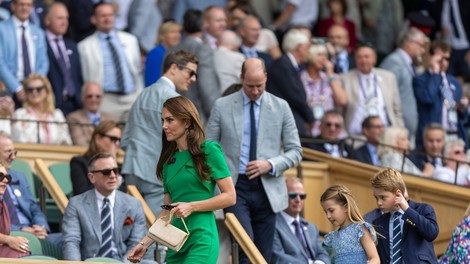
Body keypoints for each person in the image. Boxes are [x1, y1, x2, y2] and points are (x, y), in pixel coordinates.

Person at [206, 58, 302, 263]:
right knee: (244, 248)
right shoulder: (222, 105)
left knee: (263, 255)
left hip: (268, 188)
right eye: (250, 86)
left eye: (260, 85)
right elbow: (208, 147)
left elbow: (296, 151)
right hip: (234, 186)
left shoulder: (281, 106)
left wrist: (270, 164)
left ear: (266, 78)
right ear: (241, 79)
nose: (256, 91)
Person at [127, 96, 236, 264]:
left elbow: (230, 196)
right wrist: (145, 243)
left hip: (202, 238)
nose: (164, 126)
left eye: (170, 120)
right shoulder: (168, 163)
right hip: (175, 243)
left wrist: (192, 206)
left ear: (187, 122)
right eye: (163, 120)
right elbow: (165, 212)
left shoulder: (209, 150)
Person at [121, 50, 198, 217]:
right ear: (174, 68)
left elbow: (124, 139)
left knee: (134, 229)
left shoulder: (142, 94)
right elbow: (184, 141)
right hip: (157, 173)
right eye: (190, 73)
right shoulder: (173, 98)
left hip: (131, 169)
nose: (193, 79)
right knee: (157, 233)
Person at [62, 152, 152, 262]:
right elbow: (71, 241)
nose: (113, 175)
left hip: (123, 261)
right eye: (106, 172)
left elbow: (136, 243)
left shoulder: (134, 204)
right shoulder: (76, 204)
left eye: (116, 170)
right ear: (92, 177)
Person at [78, 2, 143, 122]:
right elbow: (85, 77)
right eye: (103, 16)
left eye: (110, 15)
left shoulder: (130, 40)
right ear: (94, 19)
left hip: (131, 98)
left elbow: (137, 70)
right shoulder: (84, 46)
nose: (107, 19)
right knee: (108, 138)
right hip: (106, 100)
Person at [0, 131, 60, 244]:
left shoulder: (19, 176)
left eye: (14, 152)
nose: (13, 157)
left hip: (34, 231)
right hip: (9, 235)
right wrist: (21, 230)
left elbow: (34, 208)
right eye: (8, 152)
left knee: (68, 239)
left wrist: (41, 228)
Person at [370, 168, 439, 263]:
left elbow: (431, 233)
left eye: (383, 197)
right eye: (376, 198)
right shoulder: (378, 222)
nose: (379, 203)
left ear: (398, 194)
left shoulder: (423, 210)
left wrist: (407, 210)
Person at [340, 44, 404, 137]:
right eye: (359, 57)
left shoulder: (388, 77)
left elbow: (397, 109)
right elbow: (340, 110)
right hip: (355, 137)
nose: (363, 60)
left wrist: (399, 131)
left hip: (385, 136)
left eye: (367, 57)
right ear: (355, 59)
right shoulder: (344, 79)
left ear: (374, 59)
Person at [413, 40, 468, 148]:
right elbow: (428, 98)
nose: (443, 62)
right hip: (432, 138)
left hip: (453, 135)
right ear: (430, 57)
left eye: (446, 58)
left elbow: (454, 108)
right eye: (439, 58)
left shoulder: (454, 82)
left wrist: (462, 108)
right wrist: (435, 74)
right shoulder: (420, 79)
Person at [169, 9, 220, 124]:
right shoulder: (203, 49)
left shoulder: (171, 50)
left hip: (173, 115)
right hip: (198, 116)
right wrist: (217, 116)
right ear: (204, 25)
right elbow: (207, 87)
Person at [380, 28, 426, 142]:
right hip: (396, 130)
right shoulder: (394, 62)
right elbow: (386, 96)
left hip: (405, 130)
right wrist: (395, 124)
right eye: (420, 45)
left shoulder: (408, 63)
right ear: (410, 43)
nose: (423, 50)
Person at [272, 178, 331, 264]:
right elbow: (277, 257)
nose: (298, 200)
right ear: (282, 196)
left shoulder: (312, 228)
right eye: (293, 195)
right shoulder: (273, 225)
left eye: (302, 196)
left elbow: (322, 254)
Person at [267, 28, 313, 137]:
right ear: (299, 47)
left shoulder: (289, 65)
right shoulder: (282, 65)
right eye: (307, 47)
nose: (309, 51)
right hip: (285, 124)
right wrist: (310, 117)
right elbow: (294, 95)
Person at [0, 0, 49, 101]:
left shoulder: (39, 32)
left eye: (28, 5)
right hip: (9, 91)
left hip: (34, 91)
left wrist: (35, 85)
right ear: (13, 6)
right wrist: (17, 87)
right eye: (21, 4)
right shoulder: (2, 29)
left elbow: (44, 62)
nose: (25, 8)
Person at [320, 184, 379, 264]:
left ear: (345, 207)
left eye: (331, 210)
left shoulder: (359, 229)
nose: (328, 216)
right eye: (325, 212)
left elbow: (375, 259)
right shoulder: (333, 237)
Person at [45, 2, 83, 116]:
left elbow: (78, 75)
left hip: (75, 103)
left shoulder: (72, 45)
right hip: (52, 104)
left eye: (66, 18)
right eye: (60, 18)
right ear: (47, 20)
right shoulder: (39, 43)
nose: (64, 22)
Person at [12, 74, 72, 145]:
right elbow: (18, 140)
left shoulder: (57, 114)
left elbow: (67, 142)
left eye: (39, 89)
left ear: (47, 91)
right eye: (30, 90)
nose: (34, 92)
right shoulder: (20, 114)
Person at [301, 44, 347, 136]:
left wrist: (330, 74)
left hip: (330, 129)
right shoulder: (300, 78)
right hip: (308, 129)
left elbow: (342, 101)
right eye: (319, 55)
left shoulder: (332, 78)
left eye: (325, 55)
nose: (323, 58)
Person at [70, 120, 125, 196]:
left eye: (119, 140)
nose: (117, 144)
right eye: (113, 139)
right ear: (98, 139)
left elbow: (125, 194)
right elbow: (81, 193)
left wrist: (113, 164)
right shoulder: (80, 163)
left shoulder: (120, 167)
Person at [66, 82, 116, 146]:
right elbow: (80, 143)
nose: (94, 99)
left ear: (102, 98)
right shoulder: (73, 118)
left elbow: (115, 142)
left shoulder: (111, 119)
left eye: (98, 96)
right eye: (89, 96)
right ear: (82, 97)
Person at [0, 162, 30, 258]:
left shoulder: (3, 204)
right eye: (0, 176)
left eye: (7, 177)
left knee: (20, 249)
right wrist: (9, 240)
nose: (5, 180)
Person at [145, 21, 182, 86]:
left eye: (179, 32)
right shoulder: (156, 53)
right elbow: (152, 81)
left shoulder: (177, 53)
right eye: (173, 32)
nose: (177, 35)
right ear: (162, 35)